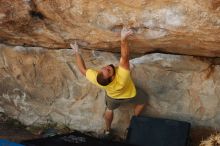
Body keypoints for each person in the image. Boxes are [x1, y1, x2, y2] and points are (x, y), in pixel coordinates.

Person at [70, 26, 147, 137]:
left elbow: (82, 70)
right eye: (108, 70)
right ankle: (132, 124)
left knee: (109, 109)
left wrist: (77, 52)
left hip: (112, 97)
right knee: (143, 100)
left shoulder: (97, 78)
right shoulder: (121, 78)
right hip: (130, 95)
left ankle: (107, 130)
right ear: (112, 77)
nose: (107, 67)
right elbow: (125, 57)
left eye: (104, 68)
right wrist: (123, 39)